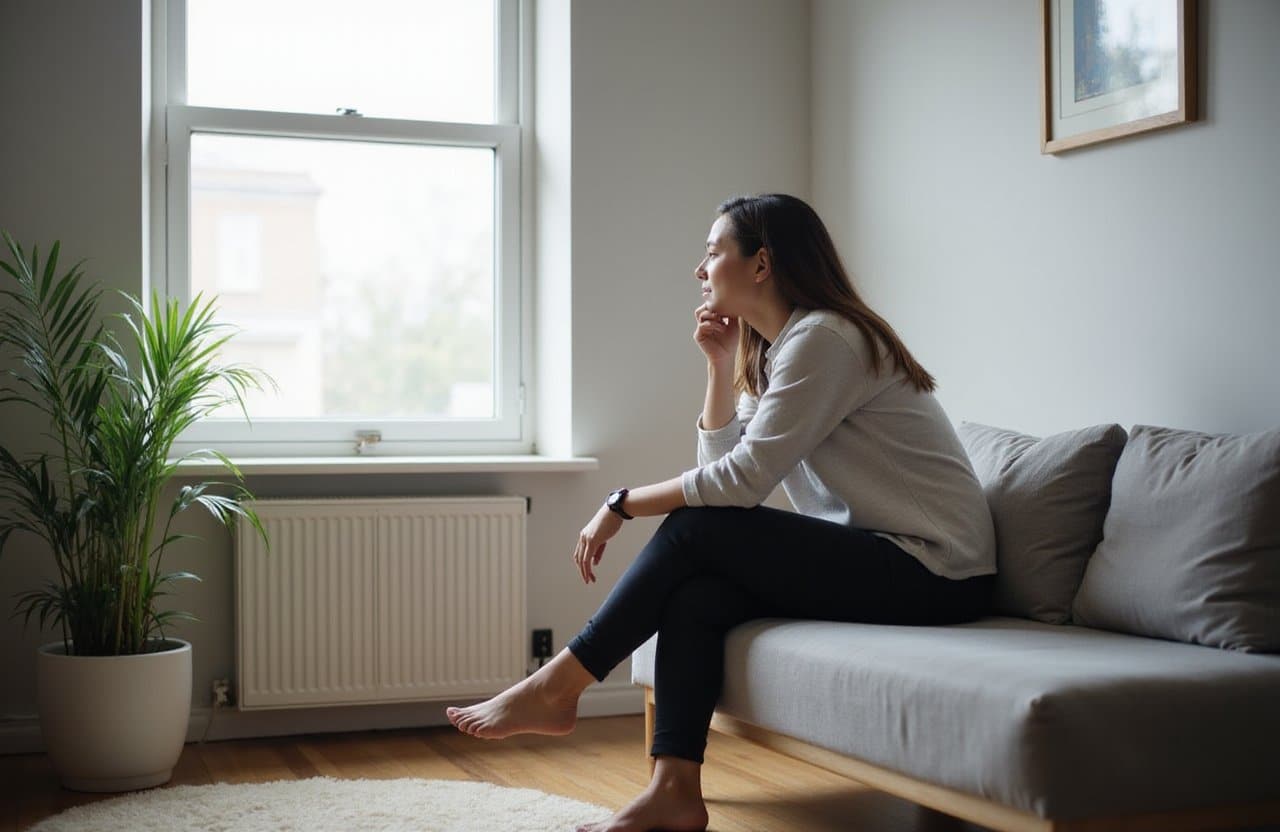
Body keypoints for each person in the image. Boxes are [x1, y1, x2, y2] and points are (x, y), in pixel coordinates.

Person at [446, 193, 997, 832]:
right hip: (883, 557)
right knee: (697, 593)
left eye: (712, 252)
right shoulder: (782, 347)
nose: (699, 268)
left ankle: (559, 684)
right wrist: (719, 366)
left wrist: (620, 504)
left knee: (697, 529)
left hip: (937, 570)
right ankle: (674, 790)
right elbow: (730, 473)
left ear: (761, 264)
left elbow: (735, 487)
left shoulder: (827, 339)